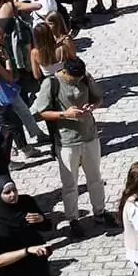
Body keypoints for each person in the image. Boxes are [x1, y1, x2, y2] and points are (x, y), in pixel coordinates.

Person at [32, 56, 110, 237]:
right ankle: (73, 219)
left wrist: (93, 105)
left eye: (80, 78)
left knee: (95, 178)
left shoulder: (84, 76)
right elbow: (41, 112)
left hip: (89, 136)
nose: (78, 81)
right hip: (67, 141)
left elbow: (98, 98)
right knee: (70, 184)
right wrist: (64, 114)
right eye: (74, 79)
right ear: (65, 72)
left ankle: (100, 212)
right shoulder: (51, 83)